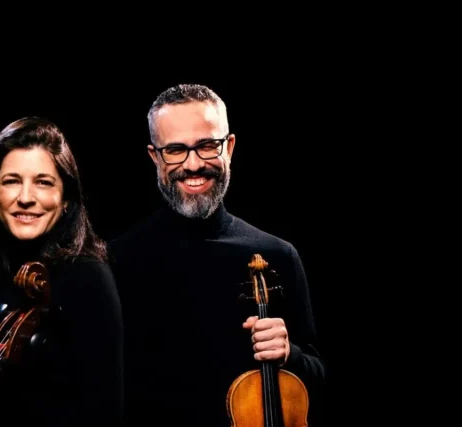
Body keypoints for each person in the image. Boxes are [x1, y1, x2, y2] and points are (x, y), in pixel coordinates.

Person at [108, 83, 327, 425]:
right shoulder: (117, 260)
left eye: (207, 146)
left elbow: (318, 378)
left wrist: (291, 355)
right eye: (176, 150)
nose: (193, 164)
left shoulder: (277, 255)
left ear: (230, 148)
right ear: (155, 156)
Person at [0, 117, 124, 426]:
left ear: (65, 199)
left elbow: (104, 412)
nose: (26, 197)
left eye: (44, 182)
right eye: (11, 181)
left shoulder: (87, 278)